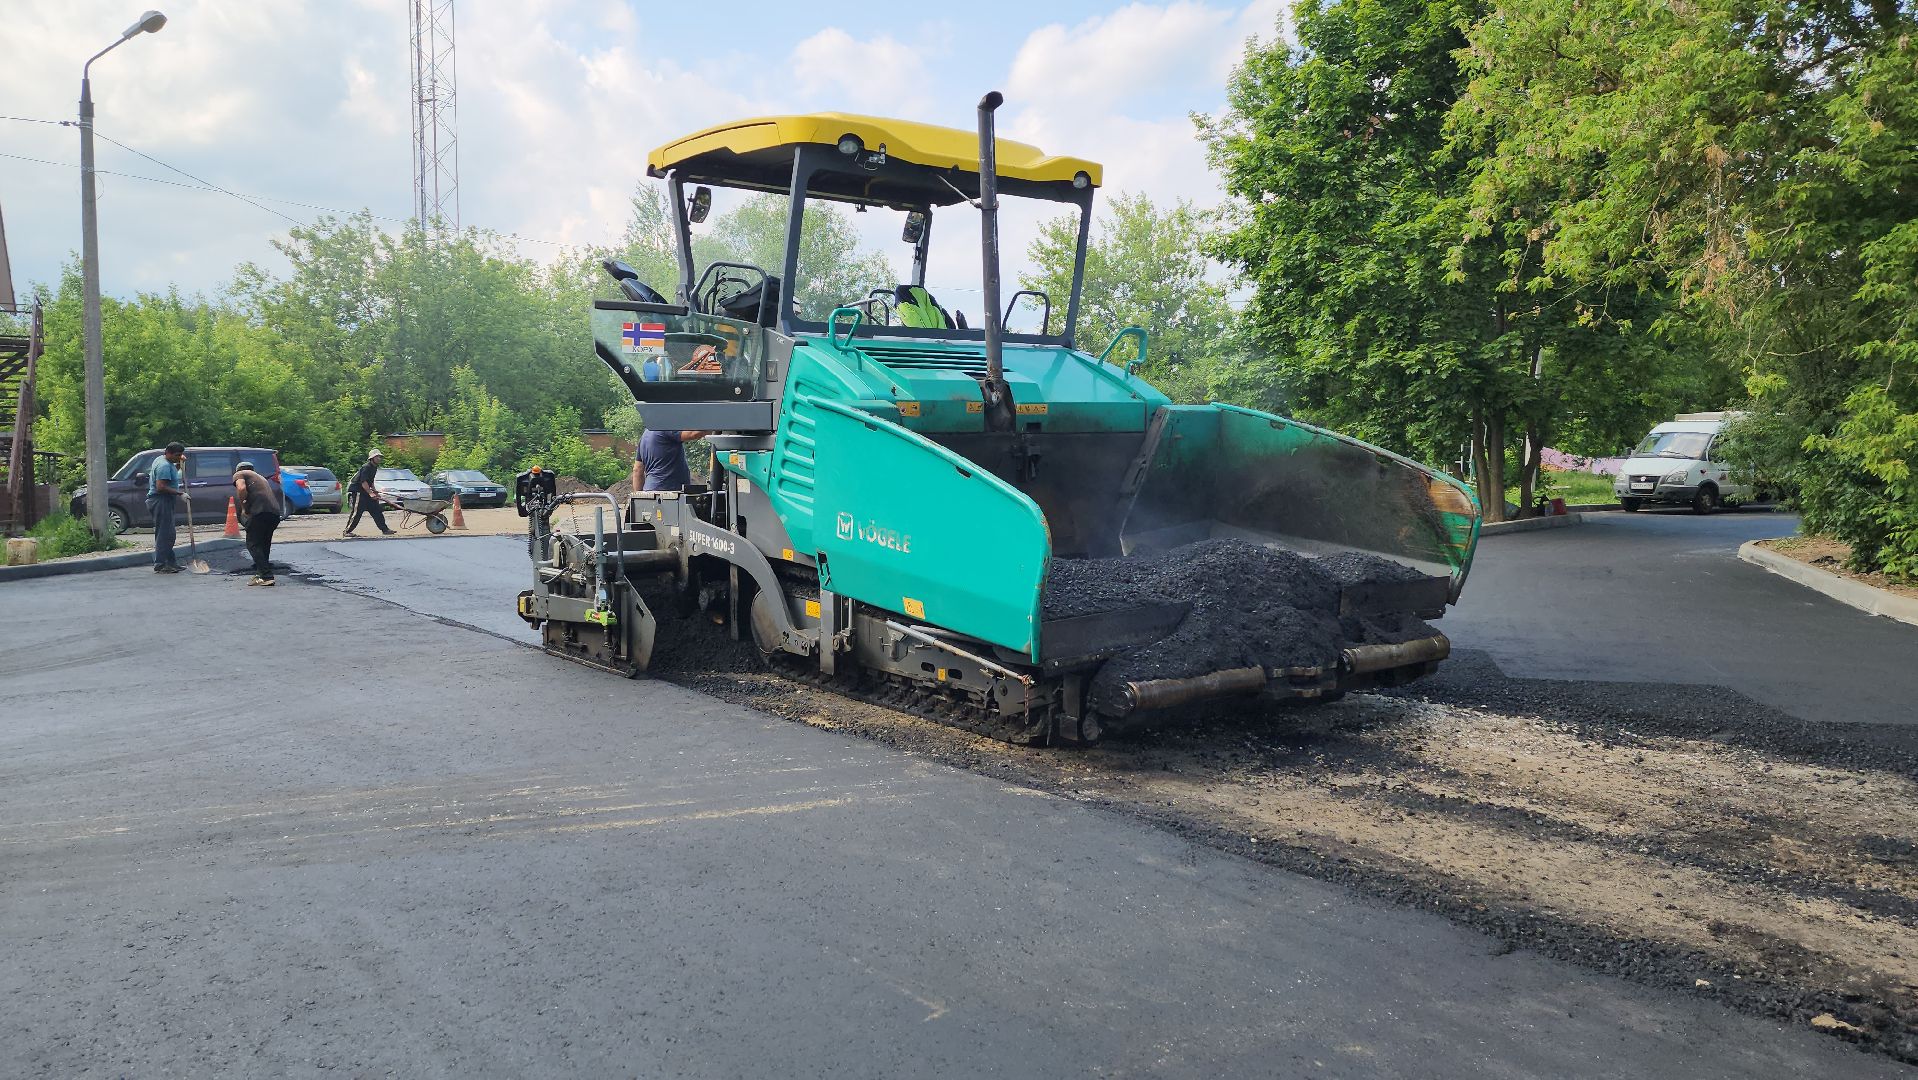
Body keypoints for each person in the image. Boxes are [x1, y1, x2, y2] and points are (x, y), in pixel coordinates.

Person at [232, 461, 283, 586]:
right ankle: (261, 574)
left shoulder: (240, 474)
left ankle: (266, 576)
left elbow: (241, 488)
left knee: (253, 544)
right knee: (264, 544)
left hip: (259, 512)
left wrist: (244, 507)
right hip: (274, 513)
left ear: (238, 469)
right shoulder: (261, 478)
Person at [147, 442, 187, 573]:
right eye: (177, 455)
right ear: (168, 453)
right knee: (165, 534)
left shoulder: (163, 460)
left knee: (168, 534)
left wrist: (179, 463)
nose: (179, 457)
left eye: (180, 455)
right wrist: (180, 493)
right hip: (160, 500)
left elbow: (171, 472)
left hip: (164, 500)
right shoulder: (163, 465)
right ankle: (160, 564)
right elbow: (161, 487)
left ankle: (171, 562)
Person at [637, 428, 711, 492]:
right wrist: (714, 427)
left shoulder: (645, 435)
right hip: (669, 492)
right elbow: (693, 434)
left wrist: (639, 497)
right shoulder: (665, 427)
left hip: (649, 490)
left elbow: (637, 470)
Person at [344, 449, 395, 536]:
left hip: (366, 491)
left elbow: (371, 482)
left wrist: (375, 492)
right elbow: (363, 482)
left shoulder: (374, 467)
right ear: (372, 458)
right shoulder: (366, 467)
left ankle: (385, 530)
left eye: (380, 457)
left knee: (377, 510)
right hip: (358, 491)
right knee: (357, 512)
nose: (379, 458)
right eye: (377, 457)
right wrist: (370, 493)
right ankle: (347, 531)